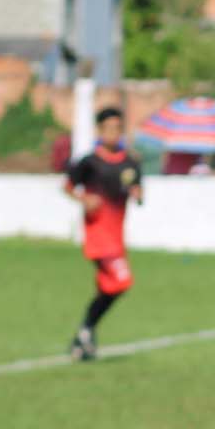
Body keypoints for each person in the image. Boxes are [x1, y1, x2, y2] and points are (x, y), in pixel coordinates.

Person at [63, 107, 144, 362]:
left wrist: (137, 194)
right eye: (109, 128)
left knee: (111, 286)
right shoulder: (89, 162)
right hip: (98, 235)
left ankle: (84, 335)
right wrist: (83, 198)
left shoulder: (130, 162)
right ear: (100, 130)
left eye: (118, 128)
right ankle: (86, 330)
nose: (113, 133)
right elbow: (67, 186)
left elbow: (138, 191)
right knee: (122, 281)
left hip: (117, 236)